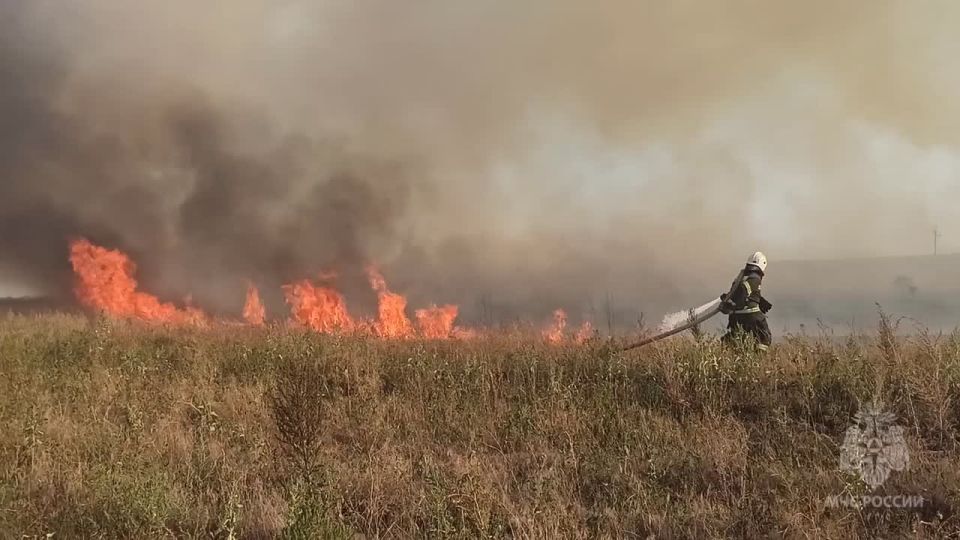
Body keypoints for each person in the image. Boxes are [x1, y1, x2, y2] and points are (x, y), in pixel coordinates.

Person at [720, 251, 773, 351]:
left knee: (737, 338)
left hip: (736, 317)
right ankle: (757, 361)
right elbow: (744, 290)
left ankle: (731, 352)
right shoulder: (754, 277)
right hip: (750, 316)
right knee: (764, 338)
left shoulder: (741, 277)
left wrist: (758, 300)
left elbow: (740, 292)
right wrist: (738, 304)